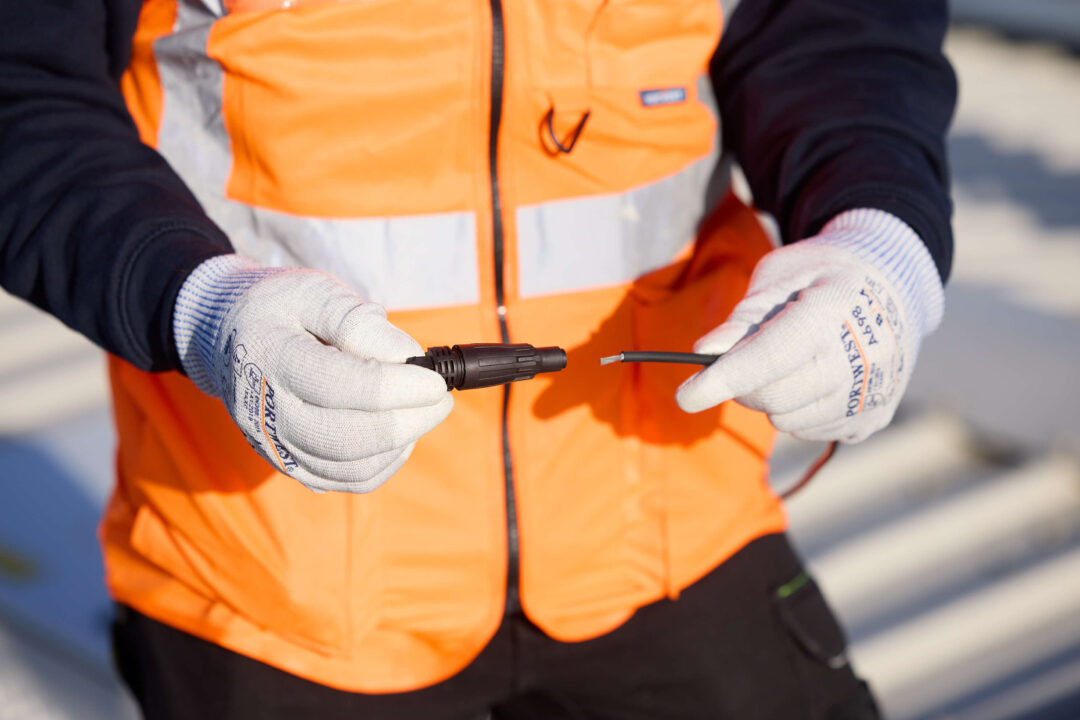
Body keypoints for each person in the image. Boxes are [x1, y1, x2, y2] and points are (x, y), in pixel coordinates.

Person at [0, 0, 955, 717]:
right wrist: (199, 305)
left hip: (675, 526)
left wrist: (877, 235)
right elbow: (22, 90)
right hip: (267, 578)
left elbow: (837, 30)